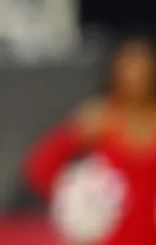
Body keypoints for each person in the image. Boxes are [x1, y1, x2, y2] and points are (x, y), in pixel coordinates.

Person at [25, 37, 156, 245]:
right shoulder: (99, 118)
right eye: (129, 66)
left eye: (143, 66)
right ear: (115, 72)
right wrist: (75, 200)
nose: (136, 76)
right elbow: (41, 166)